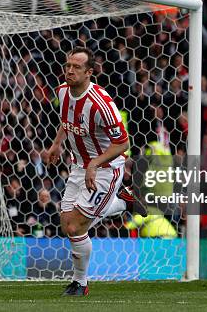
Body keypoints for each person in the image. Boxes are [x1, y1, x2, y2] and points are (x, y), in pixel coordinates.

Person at [43, 47, 145, 296]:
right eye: (68, 65)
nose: (69, 70)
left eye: (76, 67)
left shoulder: (101, 104)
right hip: (79, 166)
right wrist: (56, 143)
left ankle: (81, 283)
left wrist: (94, 163)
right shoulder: (63, 92)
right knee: (67, 224)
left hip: (107, 169)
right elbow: (66, 120)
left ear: (89, 72)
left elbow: (123, 143)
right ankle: (123, 202)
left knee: (77, 226)